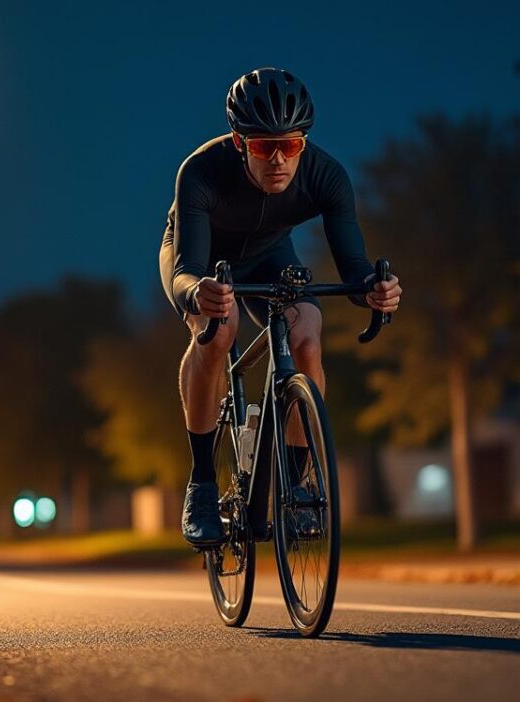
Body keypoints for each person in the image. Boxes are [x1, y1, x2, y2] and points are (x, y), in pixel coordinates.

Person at [158, 68, 402, 546]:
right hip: (202, 259)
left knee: (306, 335)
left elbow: (354, 266)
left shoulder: (326, 176)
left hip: (271, 257)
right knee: (217, 330)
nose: (276, 159)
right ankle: (203, 483)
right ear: (238, 141)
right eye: (262, 146)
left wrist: (373, 288)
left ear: (303, 143)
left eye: (288, 146)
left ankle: (297, 485)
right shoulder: (201, 171)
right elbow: (186, 268)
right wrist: (195, 293)